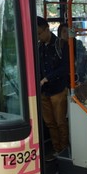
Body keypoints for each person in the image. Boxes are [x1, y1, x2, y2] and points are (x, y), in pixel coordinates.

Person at [37, 17, 70, 160]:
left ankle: (64, 150)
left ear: (47, 29)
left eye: (39, 34)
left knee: (60, 122)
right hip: (44, 91)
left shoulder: (61, 45)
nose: (38, 37)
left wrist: (46, 78)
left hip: (58, 90)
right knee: (50, 123)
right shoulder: (40, 47)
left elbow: (65, 68)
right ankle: (56, 149)